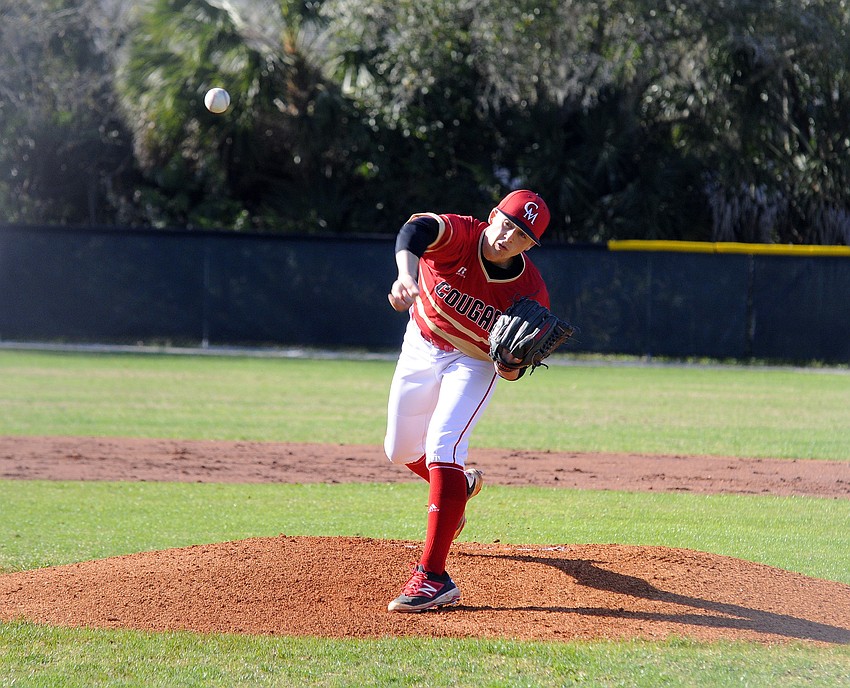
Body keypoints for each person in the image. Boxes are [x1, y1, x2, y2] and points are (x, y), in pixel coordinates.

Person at [383, 189, 552, 612]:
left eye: (521, 235)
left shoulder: (529, 290)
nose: (508, 237)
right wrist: (406, 276)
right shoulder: (461, 235)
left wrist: (512, 364)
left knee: (444, 443)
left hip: (474, 363)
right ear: (493, 215)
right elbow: (414, 229)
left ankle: (433, 577)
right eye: (507, 224)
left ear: (530, 247)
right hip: (421, 343)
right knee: (400, 449)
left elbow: (510, 371)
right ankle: (460, 489)